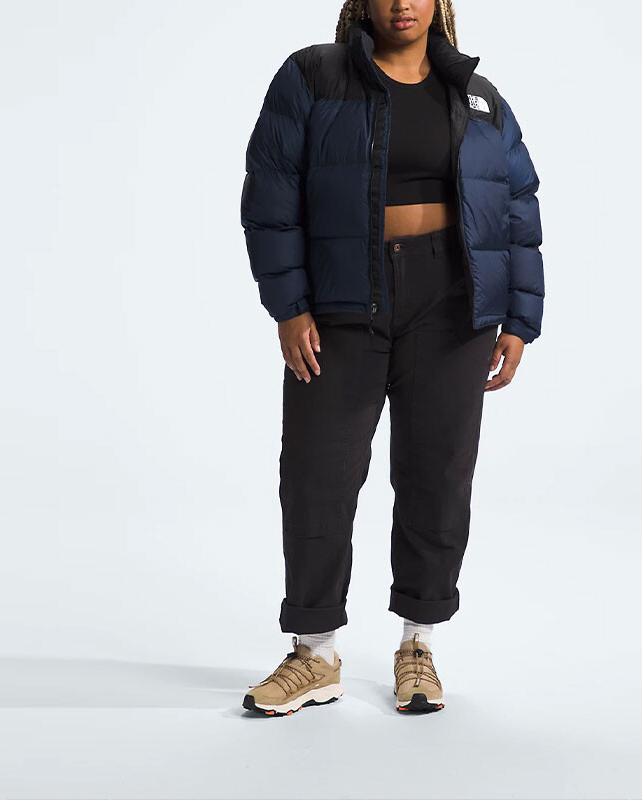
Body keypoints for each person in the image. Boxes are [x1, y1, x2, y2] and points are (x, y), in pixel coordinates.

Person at [240, 0, 544, 716]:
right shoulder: (313, 76)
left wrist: (519, 317)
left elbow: (518, 205)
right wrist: (289, 305)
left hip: (454, 306)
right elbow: (270, 189)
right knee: (317, 473)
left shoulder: (477, 95)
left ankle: (418, 645)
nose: (402, 3)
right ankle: (314, 654)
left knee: (437, 474)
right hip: (343, 301)